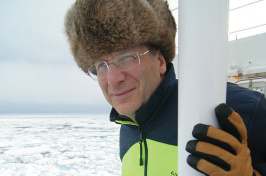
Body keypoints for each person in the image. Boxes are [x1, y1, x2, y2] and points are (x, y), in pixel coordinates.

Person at [64, 0, 266, 175]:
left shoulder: (242, 108)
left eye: (126, 58)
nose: (113, 79)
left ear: (160, 61)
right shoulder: (129, 127)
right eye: (101, 65)